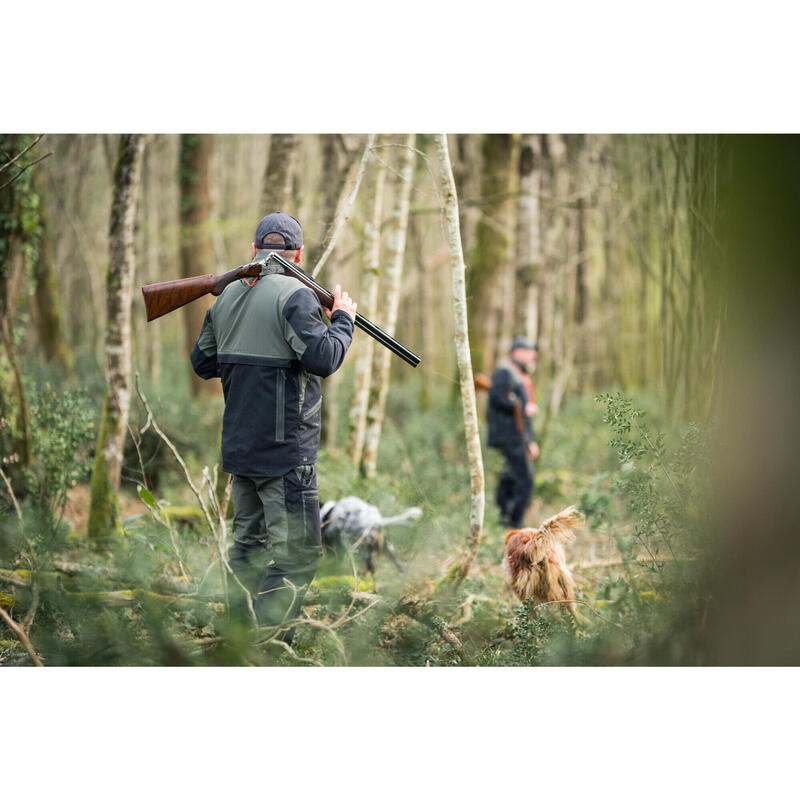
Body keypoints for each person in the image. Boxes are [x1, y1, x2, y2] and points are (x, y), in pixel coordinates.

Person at [190, 211, 357, 643]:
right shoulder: (296, 296)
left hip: (240, 451)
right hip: (285, 456)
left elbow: (202, 362)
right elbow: (324, 358)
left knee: (246, 550)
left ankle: (235, 637)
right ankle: (267, 643)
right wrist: (342, 319)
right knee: (299, 557)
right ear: (298, 254)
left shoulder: (224, 299)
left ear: (255, 250)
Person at [487, 336, 540, 528]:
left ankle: (506, 518)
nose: (533, 355)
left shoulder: (519, 374)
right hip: (509, 436)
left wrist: (530, 441)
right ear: (517, 352)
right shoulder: (505, 372)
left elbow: (522, 415)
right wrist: (519, 405)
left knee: (510, 476)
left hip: (518, 436)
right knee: (525, 478)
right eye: (528, 351)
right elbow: (496, 398)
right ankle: (515, 522)